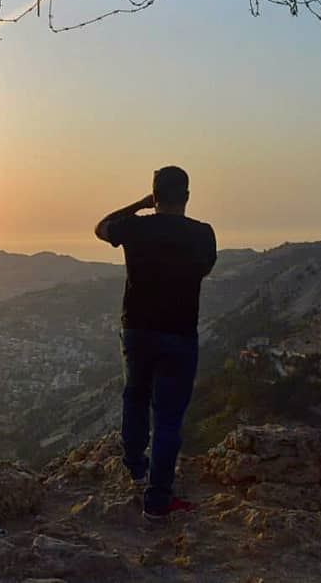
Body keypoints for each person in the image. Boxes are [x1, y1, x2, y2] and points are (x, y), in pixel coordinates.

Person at [94, 166, 217, 520]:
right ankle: (158, 501)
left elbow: (102, 227)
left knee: (135, 395)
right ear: (187, 196)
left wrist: (139, 205)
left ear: (155, 195)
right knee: (167, 419)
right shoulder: (202, 234)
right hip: (179, 333)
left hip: (137, 330)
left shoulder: (136, 226)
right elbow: (204, 270)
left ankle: (134, 465)